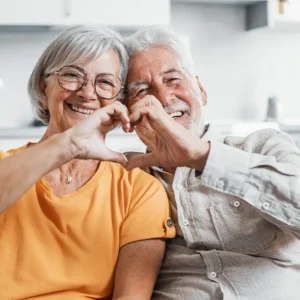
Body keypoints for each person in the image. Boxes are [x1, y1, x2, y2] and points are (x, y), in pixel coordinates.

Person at [0, 25, 175, 300]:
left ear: (118, 101)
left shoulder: (137, 189)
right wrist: (67, 145)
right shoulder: (6, 169)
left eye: (105, 82)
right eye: (71, 75)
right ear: (42, 86)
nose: (87, 93)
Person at [124, 25, 300, 300]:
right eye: (142, 91)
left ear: (201, 91)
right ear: (127, 116)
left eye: (172, 80)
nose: (163, 98)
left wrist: (203, 157)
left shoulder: (264, 146)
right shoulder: (126, 177)